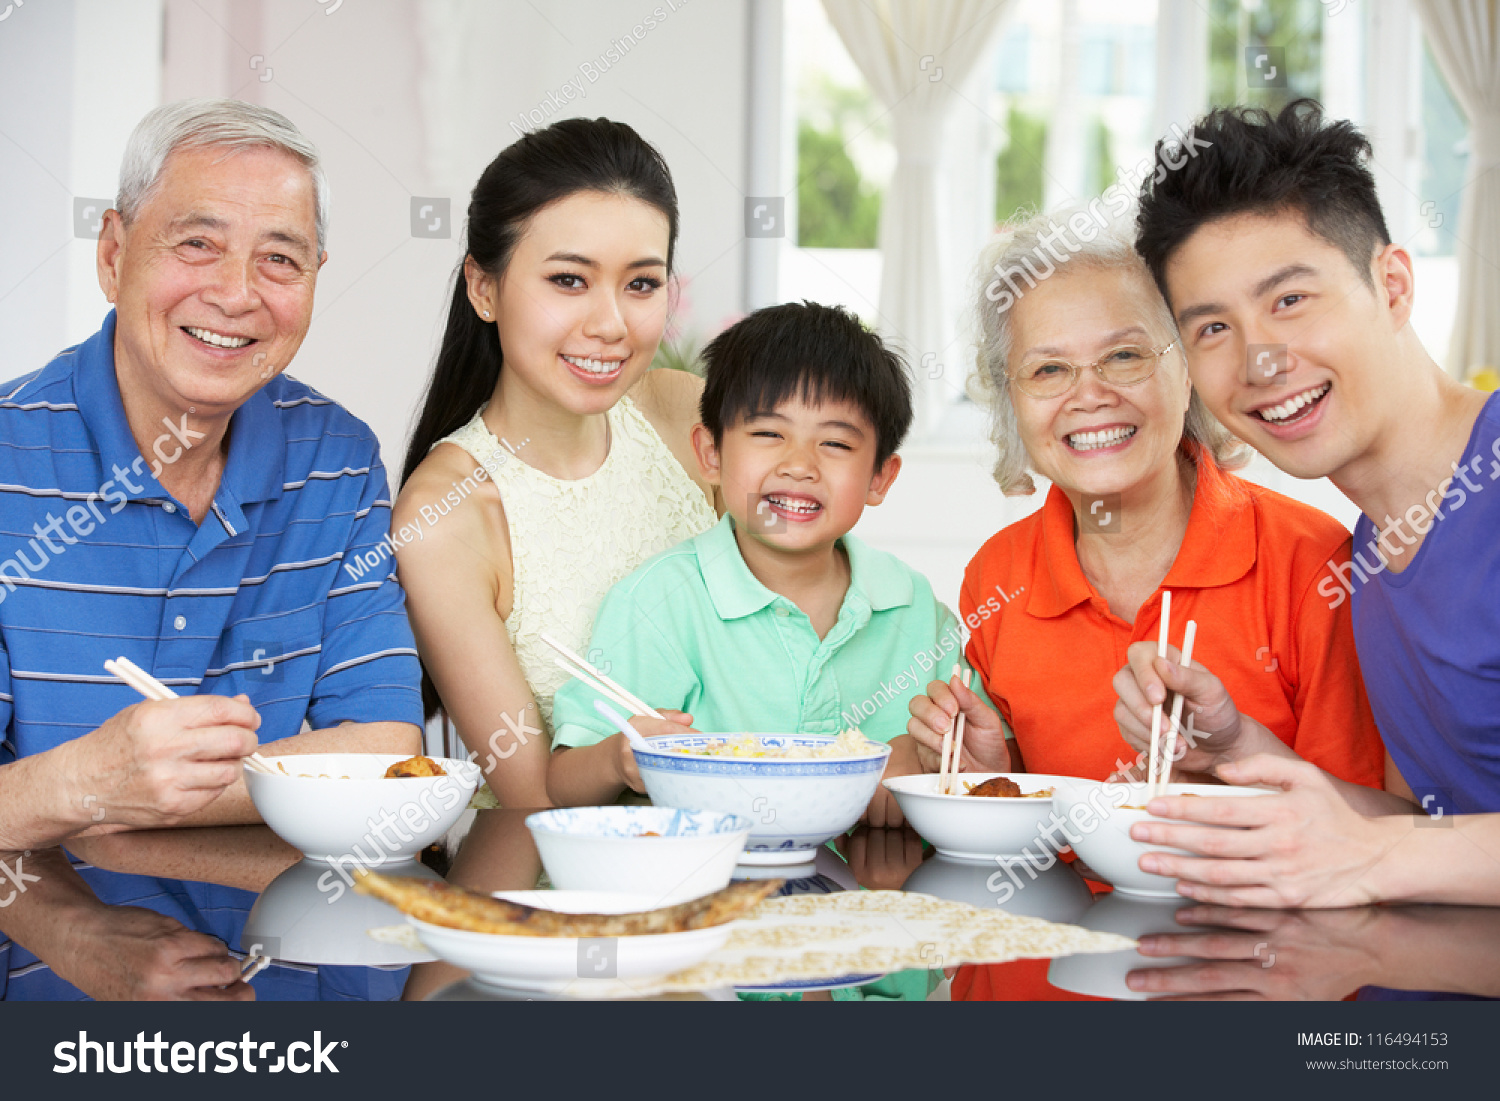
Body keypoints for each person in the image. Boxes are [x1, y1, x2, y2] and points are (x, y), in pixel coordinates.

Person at [902, 210, 1384, 1000]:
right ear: (1012, 402)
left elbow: (1369, 833)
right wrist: (993, 779)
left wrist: (1231, 756)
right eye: (1047, 370)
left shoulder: (1311, 561)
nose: (1089, 397)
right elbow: (1037, 842)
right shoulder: (999, 576)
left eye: (1124, 355)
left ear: (1187, 368)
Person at [0, 98, 422, 999]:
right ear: (114, 254)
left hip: (309, 993)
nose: (237, 293)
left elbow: (388, 758)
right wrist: (84, 787)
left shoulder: (336, 458)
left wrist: (108, 817)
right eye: (197, 243)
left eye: (280, 257)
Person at [1116, 98, 1500, 908]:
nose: (1258, 359)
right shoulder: (1364, 550)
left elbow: (1384, 853)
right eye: (1212, 328)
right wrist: (1236, 749)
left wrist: (1368, 855)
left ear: (1392, 285)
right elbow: (1427, 832)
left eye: (1289, 300)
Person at [548, 301, 977, 829]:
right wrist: (619, 757)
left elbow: (973, 767)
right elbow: (562, 781)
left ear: (879, 478)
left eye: (837, 443)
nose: (799, 465)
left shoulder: (914, 610)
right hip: (708, 888)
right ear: (710, 453)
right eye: (769, 434)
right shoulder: (660, 601)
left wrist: (934, 764)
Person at [395, 118, 717, 810]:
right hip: (554, 887)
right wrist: (625, 758)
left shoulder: (681, 411)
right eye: (569, 279)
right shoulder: (445, 513)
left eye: (641, 284)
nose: (610, 324)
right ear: (484, 289)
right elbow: (529, 798)